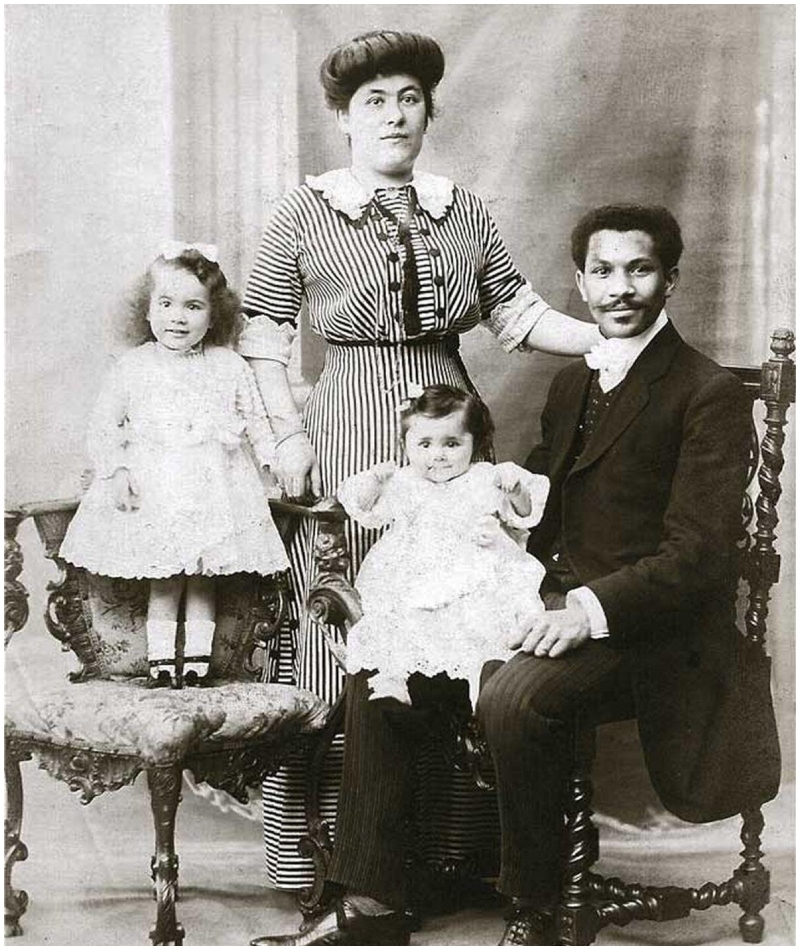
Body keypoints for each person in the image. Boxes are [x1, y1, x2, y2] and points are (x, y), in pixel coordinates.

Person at [238, 28, 601, 892]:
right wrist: (288, 436)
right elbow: (264, 333)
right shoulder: (306, 209)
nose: (395, 116)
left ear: (429, 112)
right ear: (345, 120)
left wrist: (609, 340)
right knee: (345, 632)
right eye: (375, 102)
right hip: (350, 429)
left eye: (409, 99)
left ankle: (454, 853)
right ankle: (337, 867)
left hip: (449, 424)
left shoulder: (462, 209)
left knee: (461, 620)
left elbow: (514, 313)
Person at [477, 203, 782, 945]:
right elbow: (546, 505)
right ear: (580, 284)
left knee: (514, 694)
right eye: (603, 272)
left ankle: (532, 898)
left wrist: (583, 610)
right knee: (391, 663)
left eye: (640, 269)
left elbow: (697, 558)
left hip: (657, 631)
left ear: (670, 280)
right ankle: (381, 890)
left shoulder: (706, 392)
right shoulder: (571, 385)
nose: (621, 288)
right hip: (560, 600)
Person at [60, 243, 289, 688]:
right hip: (158, 488)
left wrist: (272, 463)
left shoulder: (229, 365)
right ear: (146, 311)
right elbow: (103, 426)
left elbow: (258, 423)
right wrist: (117, 471)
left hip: (212, 490)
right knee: (164, 579)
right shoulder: (133, 366)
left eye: (193, 306)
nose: (177, 317)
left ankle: (197, 665)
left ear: (214, 314)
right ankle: (163, 665)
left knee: (204, 578)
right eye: (165, 304)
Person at [338, 384, 549, 706]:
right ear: (405, 444)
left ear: (475, 444)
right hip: (414, 568)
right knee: (396, 620)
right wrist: (375, 481)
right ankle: (394, 678)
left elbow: (525, 514)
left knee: (483, 617)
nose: (437, 455)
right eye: (424, 444)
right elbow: (362, 508)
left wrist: (515, 488)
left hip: (470, 568)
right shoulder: (404, 481)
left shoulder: (484, 476)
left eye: (451, 444)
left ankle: (482, 683)